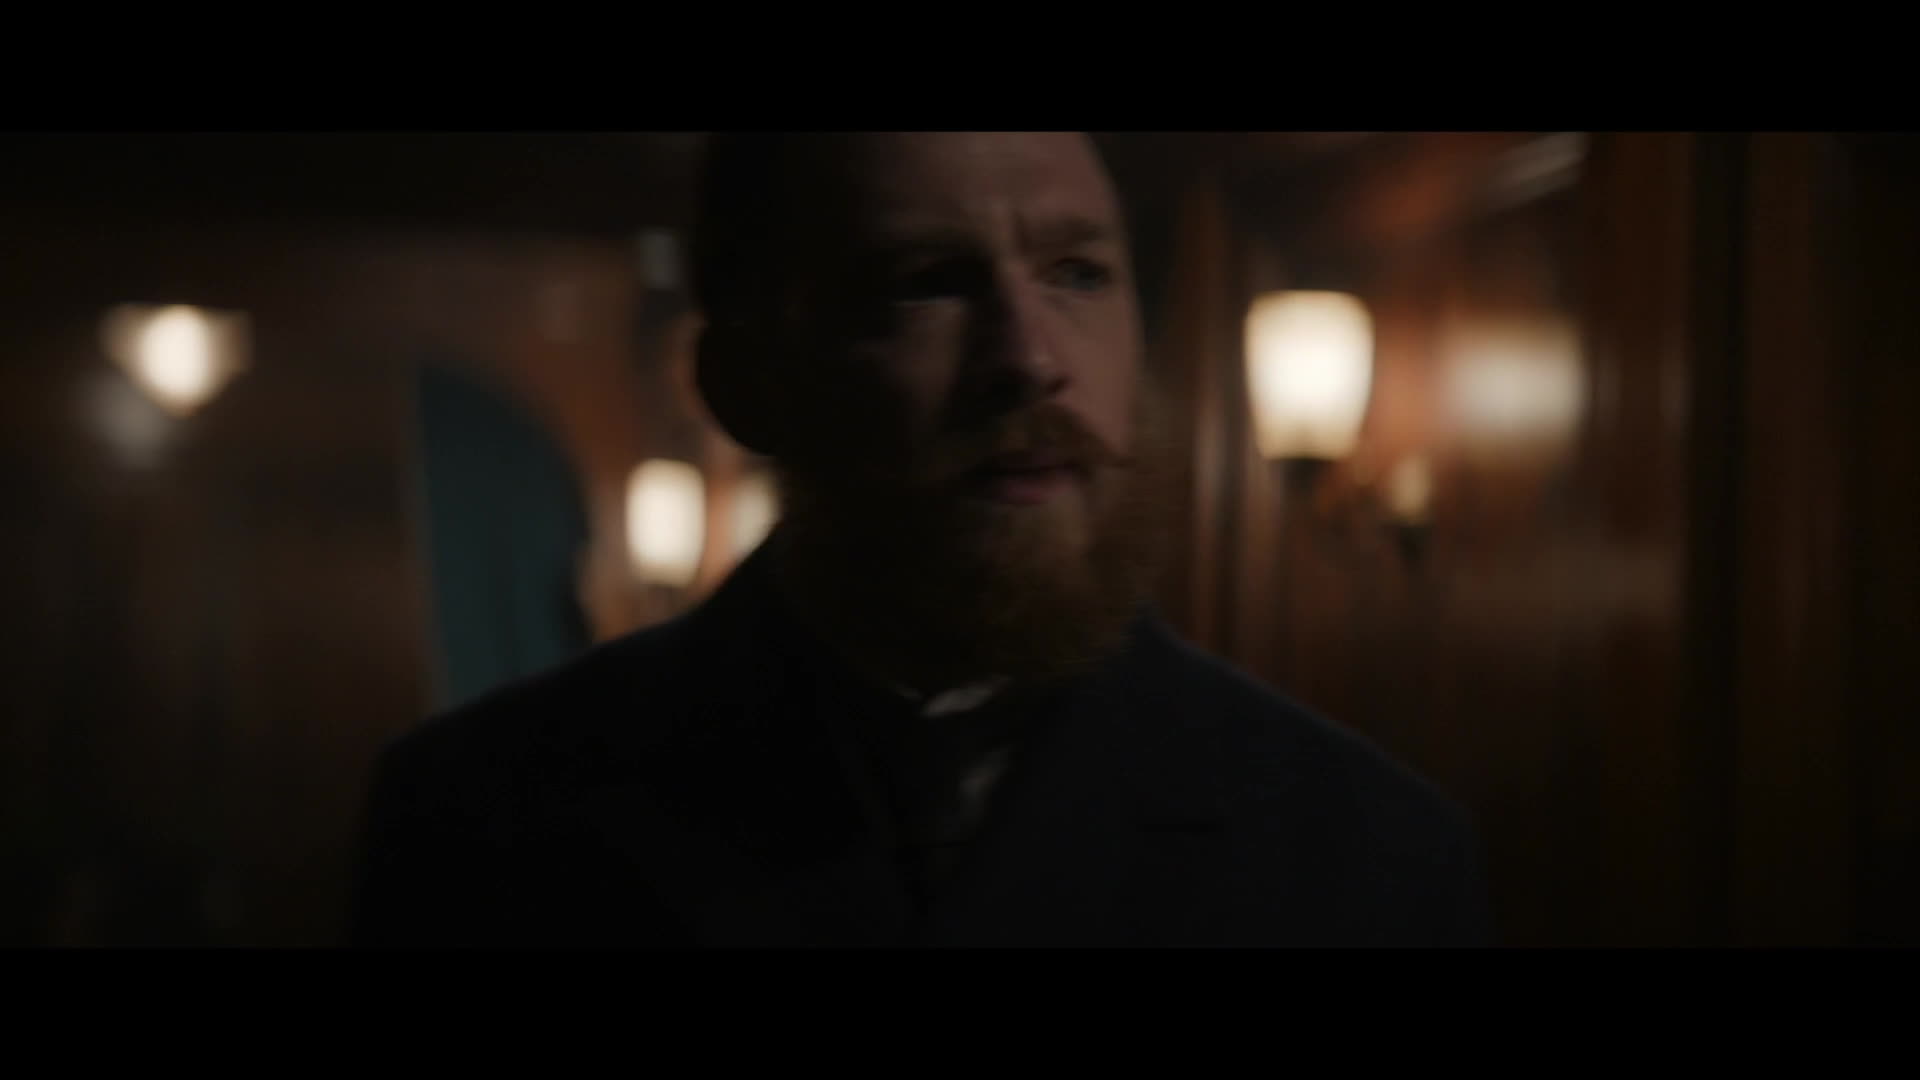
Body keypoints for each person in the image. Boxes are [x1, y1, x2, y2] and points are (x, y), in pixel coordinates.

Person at [349, 132, 1494, 948]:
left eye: (1078, 273)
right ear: (745, 383)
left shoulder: (1366, 855)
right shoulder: (483, 820)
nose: (1029, 357)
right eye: (927, 284)